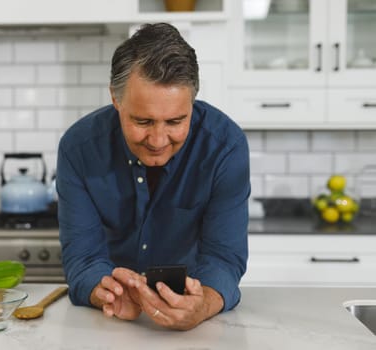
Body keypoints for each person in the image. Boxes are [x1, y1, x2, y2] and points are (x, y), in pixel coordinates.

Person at [56, 22, 250, 331]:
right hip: (107, 324)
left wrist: (202, 306)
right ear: (115, 99)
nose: (158, 140)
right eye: (143, 121)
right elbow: (84, 259)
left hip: (196, 326)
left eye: (175, 121)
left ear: (192, 102)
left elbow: (223, 257)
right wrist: (105, 291)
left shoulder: (226, 146)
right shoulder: (78, 149)